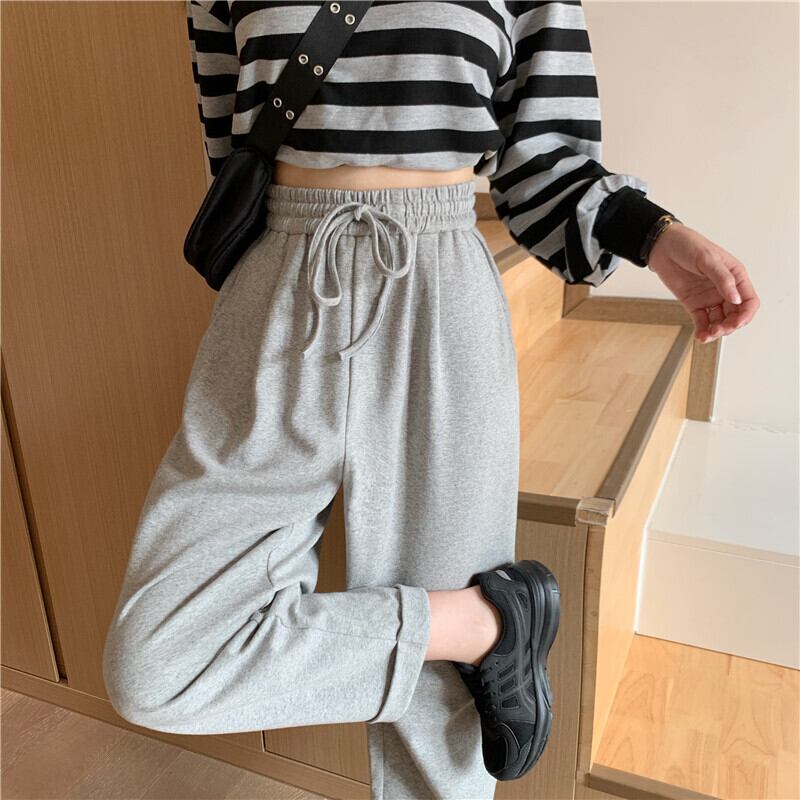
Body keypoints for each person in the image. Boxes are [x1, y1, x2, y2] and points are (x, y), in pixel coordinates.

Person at [102, 2, 760, 799]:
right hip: (279, 288)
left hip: (439, 288)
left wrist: (656, 235)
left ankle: (469, 641)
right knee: (160, 663)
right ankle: (481, 625)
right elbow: (234, 144)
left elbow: (542, 156)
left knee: (442, 714)